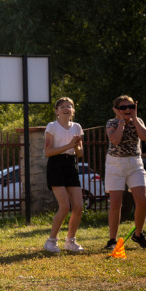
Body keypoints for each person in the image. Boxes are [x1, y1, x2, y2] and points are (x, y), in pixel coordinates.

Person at [104, 95, 146, 251]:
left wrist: (134, 119)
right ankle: (112, 239)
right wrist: (121, 120)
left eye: (130, 107)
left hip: (135, 162)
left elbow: (144, 136)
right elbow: (115, 140)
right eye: (123, 107)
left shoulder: (138, 121)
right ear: (116, 110)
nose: (127, 110)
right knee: (116, 202)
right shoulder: (112, 122)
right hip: (115, 163)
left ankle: (138, 233)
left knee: (142, 200)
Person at [43, 97, 85, 253]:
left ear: (73, 110)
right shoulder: (52, 126)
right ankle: (51, 241)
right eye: (62, 106)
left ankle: (70, 241)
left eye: (70, 106)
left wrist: (77, 144)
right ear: (57, 111)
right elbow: (48, 152)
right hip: (56, 165)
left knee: (78, 206)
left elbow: (80, 153)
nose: (66, 108)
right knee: (65, 206)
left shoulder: (77, 127)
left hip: (71, 165)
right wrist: (68, 145)